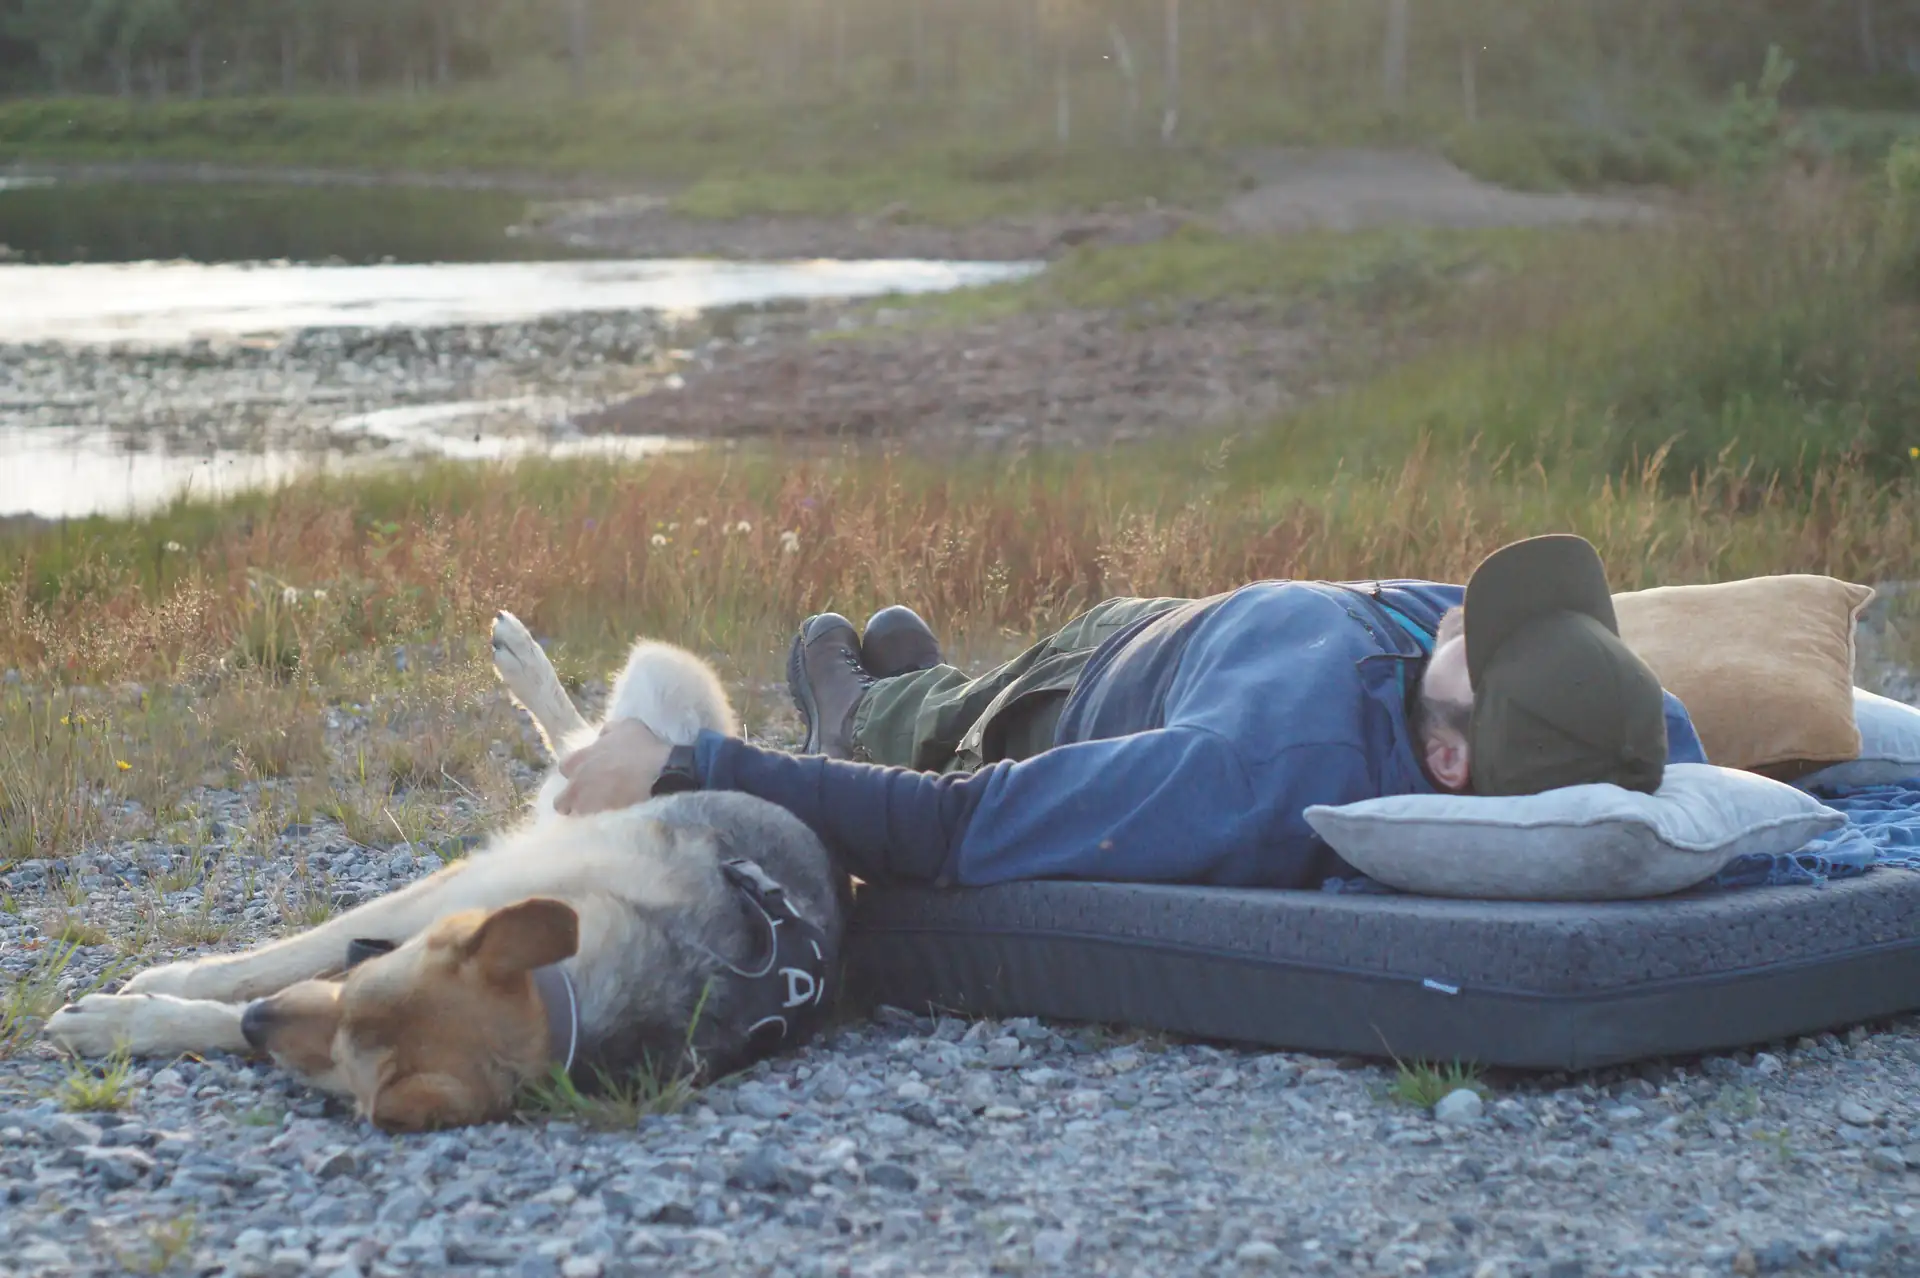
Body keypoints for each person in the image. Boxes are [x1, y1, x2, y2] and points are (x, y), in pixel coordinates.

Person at [554, 534, 1707, 890]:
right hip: (1178, 621)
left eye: (1483, 651)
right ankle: (921, 674)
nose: (1465, 619)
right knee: (917, 642)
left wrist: (683, 761)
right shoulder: (1609, 719)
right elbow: (1651, 744)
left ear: (1449, 764)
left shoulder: (1257, 774)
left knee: (870, 671)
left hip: (1075, 695)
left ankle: (866, 705)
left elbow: (958, 826)